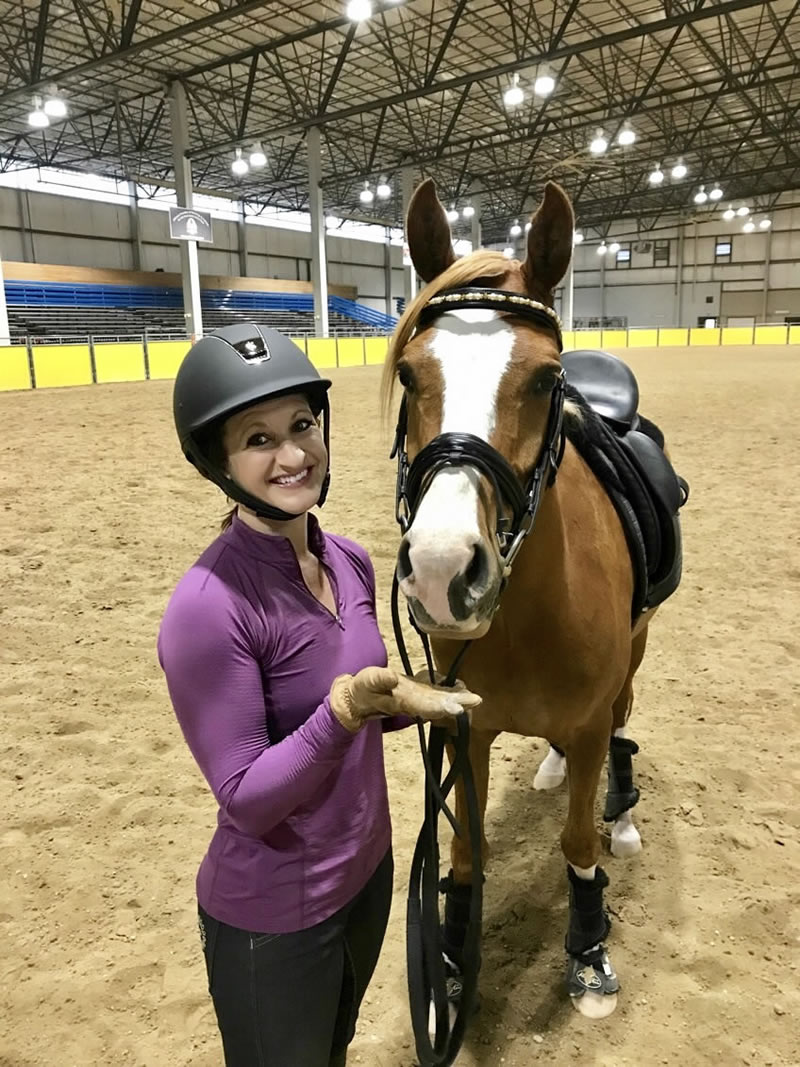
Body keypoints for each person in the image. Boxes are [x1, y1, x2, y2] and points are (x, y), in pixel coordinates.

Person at [157, 323, 481, 1067]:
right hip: (273, 914)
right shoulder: (208, 606)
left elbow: (365, 696)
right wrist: (344, 711)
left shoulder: (351, 560)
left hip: (365, 876)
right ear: (220, 460)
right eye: (259, 438)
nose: (294, 454)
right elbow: (245, 794)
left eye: (302, 424)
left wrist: (414, 695)